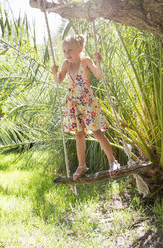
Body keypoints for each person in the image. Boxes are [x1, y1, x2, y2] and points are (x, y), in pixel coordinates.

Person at [52, 35, 120, 181]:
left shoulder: (86, 61)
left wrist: (98, 62)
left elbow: (99, 75)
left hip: (87, 102)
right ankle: (82, 166)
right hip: (73, 103)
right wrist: (54, 73)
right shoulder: (66, 64)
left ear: (80, 49)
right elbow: (59, 80)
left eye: (70, 50)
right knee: (79, 135)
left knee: (97, 132)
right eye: (64, 51)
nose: (66, 54)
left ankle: (112, 161)